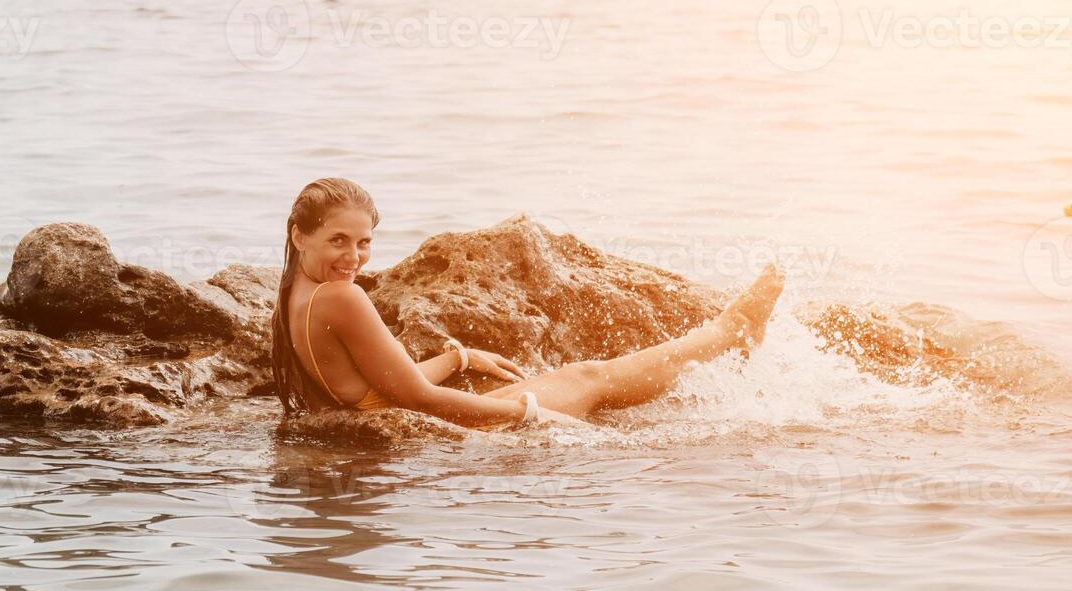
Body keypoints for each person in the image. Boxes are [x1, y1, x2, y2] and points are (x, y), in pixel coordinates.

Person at [270, 178, 785, 431]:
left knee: (581, 378)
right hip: (433, 432)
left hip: (395, 422)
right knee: (590, 377)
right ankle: (729, 332)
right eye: (339, 240)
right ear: (300, 234)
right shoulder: (343, 298)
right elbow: (415, 400)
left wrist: (461, 358)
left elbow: (382, 386)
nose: (354, 256)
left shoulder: (297, 293)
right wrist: (529, 414)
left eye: (363, 243)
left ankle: (723, 338)